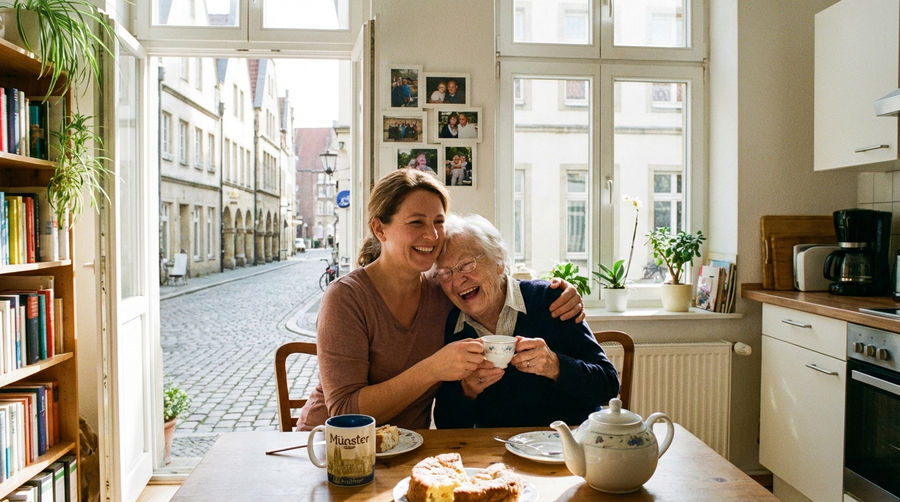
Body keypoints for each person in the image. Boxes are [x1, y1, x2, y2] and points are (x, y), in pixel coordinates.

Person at [297, 170, 586, 431]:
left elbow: (493, 276)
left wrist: (562, 289)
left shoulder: (443, 289)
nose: (432, 235)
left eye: (438, 222)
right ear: (380, 229)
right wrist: (433, 368)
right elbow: (345, 412)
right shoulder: (346, 297)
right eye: (416, 222)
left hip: (409, 447)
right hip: (330, 447)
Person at [434, 213, 619, 428]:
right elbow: (446, 425)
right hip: (498, 452)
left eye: (466, 265)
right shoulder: (454, 327)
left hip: (566, 446)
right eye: (445, 273)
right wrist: (467, 391)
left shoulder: (550, 301)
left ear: (499, 262)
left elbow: (608, 385)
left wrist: (555, 366)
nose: (457, 280)